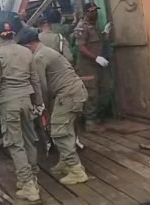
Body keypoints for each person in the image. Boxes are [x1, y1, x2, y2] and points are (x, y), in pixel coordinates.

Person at [19, 27, 89, 185]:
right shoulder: (46, 51)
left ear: (29, 45)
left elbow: (41, 87)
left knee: (59, 132)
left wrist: (40, 105)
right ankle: (65, 161)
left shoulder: (39, 57)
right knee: (64, 129)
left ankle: (76, 170)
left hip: (68, 95)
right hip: (71, 93)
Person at [0, 21, 44, 202]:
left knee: (15, 144)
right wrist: (39, 102)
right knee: (29, 140)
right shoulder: (26, 52)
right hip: (26, 101)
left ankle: (28, 185)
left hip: (9, 104)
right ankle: (32, 177)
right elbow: (35, 79)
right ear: (13, 34)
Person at [72, 2, 110, 131]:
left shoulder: (94, 26)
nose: (95, 13)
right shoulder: (81, 27)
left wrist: (105, 33)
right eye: (92, 11)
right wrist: (96, 57)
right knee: (91, 93)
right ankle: (90, 122)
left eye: (96, 10)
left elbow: (97, 42)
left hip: (97, 65)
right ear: (86, 12)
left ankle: (96, 117)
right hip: (87, 66)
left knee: (105, 89)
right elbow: (81, 47)